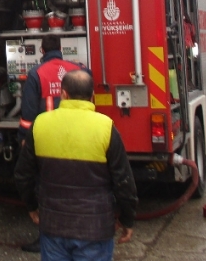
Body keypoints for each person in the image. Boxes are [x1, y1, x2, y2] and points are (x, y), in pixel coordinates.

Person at [14, 70, 137, 261]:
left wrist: (32, 206)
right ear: (92, 96)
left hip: (53, 227)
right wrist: (127, 219)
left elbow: (23, 175)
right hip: (95, 229)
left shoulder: (40, 124)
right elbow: (124, 181)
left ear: (63, 94)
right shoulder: (106, 127)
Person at [17, 33, 85, 252]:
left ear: (42, 50)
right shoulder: (77, 70)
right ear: (61, 48)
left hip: (47, 140)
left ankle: (47, 239)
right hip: (76, 135)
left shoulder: (36, 74)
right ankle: (80, 234)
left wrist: (24, 142)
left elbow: (27, 116)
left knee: (46, 189)